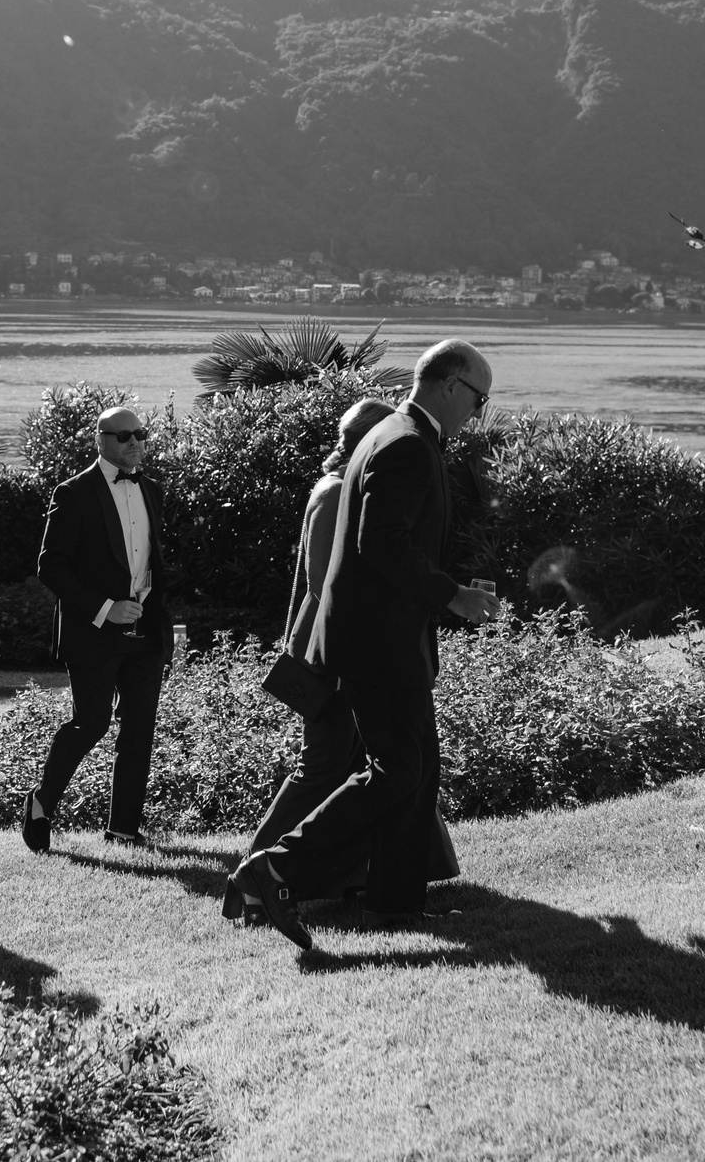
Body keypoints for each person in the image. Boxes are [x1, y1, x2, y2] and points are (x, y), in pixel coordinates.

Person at [232, 340, 503, 951]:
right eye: (479, 401)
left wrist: (447, 591)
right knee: (397, 769)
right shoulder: (406, 443)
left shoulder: (393, 434)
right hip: (375, 644)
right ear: (451, 386)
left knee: (417, 770)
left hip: (381, 639)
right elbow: (380, 546)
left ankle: (396, 904)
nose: (478, 415)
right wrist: (451, 594)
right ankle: (272, 869)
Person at [228, 397, 396, 921]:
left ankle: (342, 878)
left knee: (347, 764)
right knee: (322, 766)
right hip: (327, 653)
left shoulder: (346, 487)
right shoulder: (334, 493)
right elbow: (328, 587)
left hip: (340, 649)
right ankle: (252, 876)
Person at [21, 404, 177, 852]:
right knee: (91, 724)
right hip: (94, 630)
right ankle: (41, 801)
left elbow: (150, 559)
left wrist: (153, 602)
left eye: (140, 434)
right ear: (101, 440)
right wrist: (107, 608)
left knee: (140, 728)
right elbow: (51, 567)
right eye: (123, 435)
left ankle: (123, 830)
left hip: (145, 630)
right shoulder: (73, 493)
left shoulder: (152, 490)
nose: (134, 442)